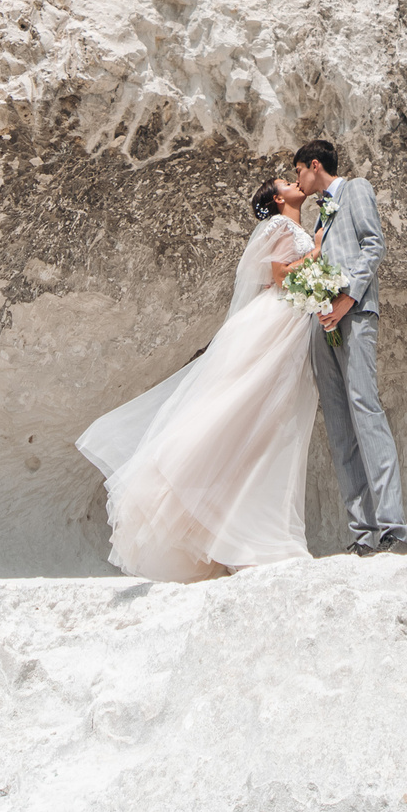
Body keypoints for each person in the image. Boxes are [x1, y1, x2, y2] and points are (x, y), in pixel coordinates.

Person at [75, 175, 324, 582]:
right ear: (278, 200)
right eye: (286, 182)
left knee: (269, 425)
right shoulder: (282, 225)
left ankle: (247, 533)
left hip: (291, 320)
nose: (296, 182)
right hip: (276, 317)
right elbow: (280, 276)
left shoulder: (296, 226)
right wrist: (316, 255)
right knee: (241, 410)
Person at [294, 139, 407, 556]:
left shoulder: (356, 189)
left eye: (298, 172)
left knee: (365, 407)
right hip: (322, 321)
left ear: (314, 165)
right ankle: (362, 534)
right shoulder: (320, 215)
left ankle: (394, 529)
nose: (297, 181)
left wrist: (347, 299)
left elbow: (373, 245)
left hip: (356, 313)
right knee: (338, 423)